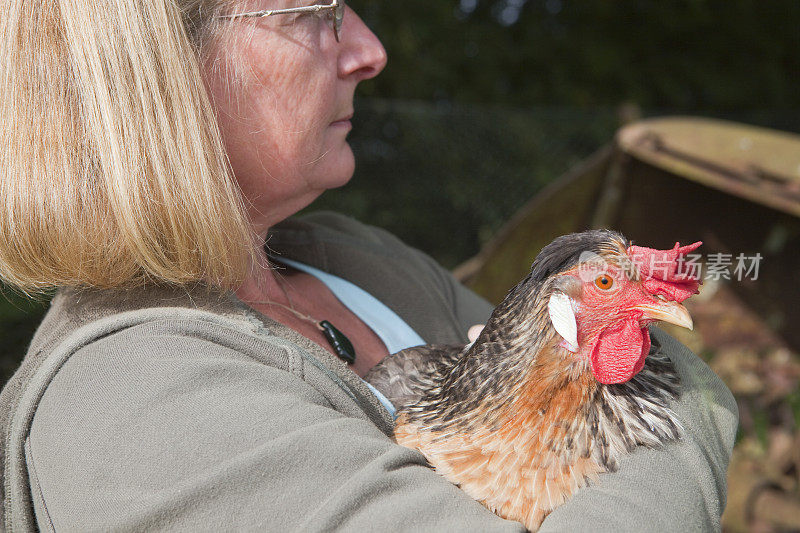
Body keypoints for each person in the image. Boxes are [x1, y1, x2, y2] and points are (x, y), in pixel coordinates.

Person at [0, 0, 737, 531]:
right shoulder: (135, 404)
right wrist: (670, 421)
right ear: (155, 74)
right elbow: (685, 392)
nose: (369, 48)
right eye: (311, 13)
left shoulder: (359, 255)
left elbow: (668, 369)